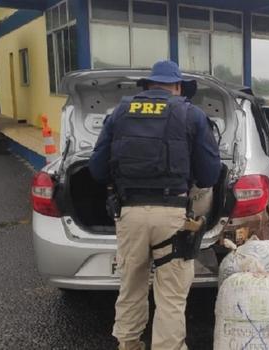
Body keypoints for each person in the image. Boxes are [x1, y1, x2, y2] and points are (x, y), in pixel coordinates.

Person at [88, 60, 222, 350]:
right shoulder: (192, 115)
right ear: (177, 87)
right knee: (171, 296)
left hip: (129, 215)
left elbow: (97, 170)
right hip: (172, 217)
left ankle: (128, 344)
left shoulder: (120, 113)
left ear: (148, 86)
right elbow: (211, 174)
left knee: (131, 286)